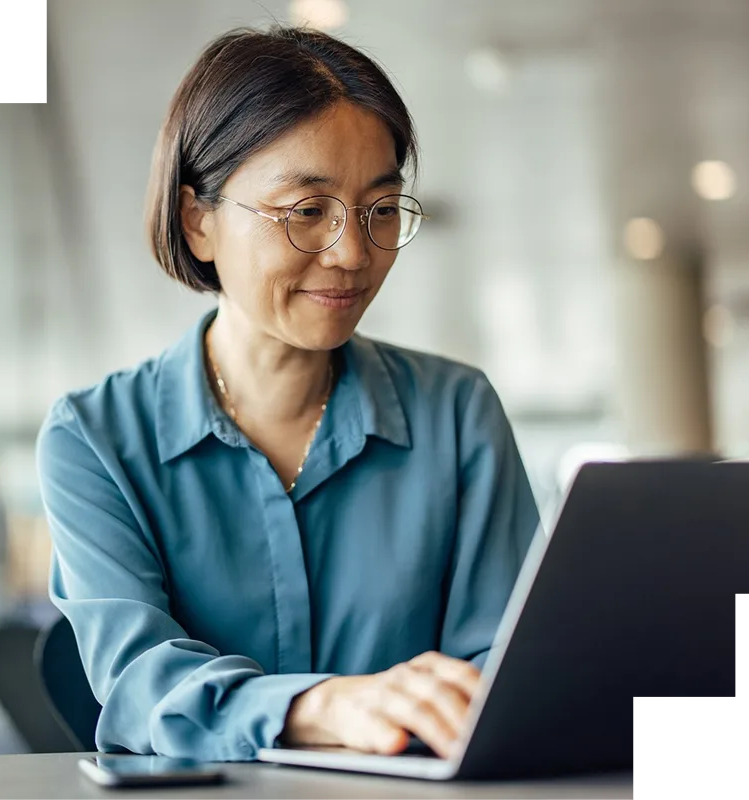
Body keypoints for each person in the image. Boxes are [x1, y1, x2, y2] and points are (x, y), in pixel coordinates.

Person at [36, 24, 541, 763]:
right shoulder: (95, 438)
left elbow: (505, 668)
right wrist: (325, 704)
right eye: (307, 212)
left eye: (379, 210)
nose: (353, 254)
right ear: (198, 220)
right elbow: (141, 684)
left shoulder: (456, 414)